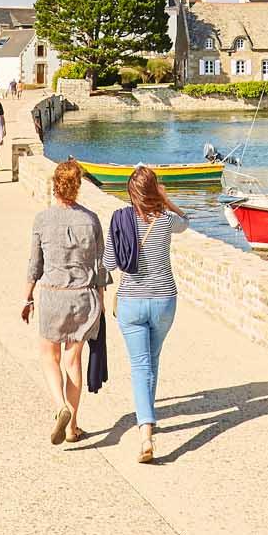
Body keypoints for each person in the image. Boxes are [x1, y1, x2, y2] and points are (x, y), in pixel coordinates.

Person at [103, 165, 189, 464]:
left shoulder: (120, 220)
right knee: (151, 362)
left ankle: (145, 435)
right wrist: (165, 199)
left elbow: (109, 263)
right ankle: (148, 421)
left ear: (130, 192)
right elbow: (186, 222)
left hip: (131, 300)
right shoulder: (166, 222)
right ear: (155, 190)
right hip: (164, 300)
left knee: (141, 366)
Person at [21, 157, 107, 444]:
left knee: (49, 356)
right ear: (77, 187)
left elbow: (35, 264)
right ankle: (72, 427)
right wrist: (102, 300)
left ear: (55, 186)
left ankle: (60, 407)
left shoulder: (42, 219)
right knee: (73, 360)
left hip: (53, 296)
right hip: (83, 297)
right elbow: (101, 266)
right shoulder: (90, 219)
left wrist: (27, 296)